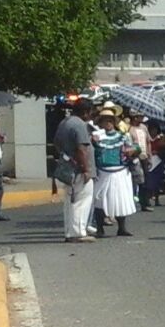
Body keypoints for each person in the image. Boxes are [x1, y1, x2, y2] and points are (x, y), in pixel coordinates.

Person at [90, 105, 139, 238]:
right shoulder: (95, 137)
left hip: (120, 171)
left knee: (120, 199)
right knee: (99, 200)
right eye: (105, 120)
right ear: (100, 122)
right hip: (102, 172)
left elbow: (136, 149)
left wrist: (133, 151)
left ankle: (122, 228)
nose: (108, 123)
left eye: (110, 120)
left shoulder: (123, 136)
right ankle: (100, 229)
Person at [54, 97, 96, 242]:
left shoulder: (64, 123)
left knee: (69, 201)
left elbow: (57, 143)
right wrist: (86, 169)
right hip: (79, 169)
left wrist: (67, 157)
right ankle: (78, 232)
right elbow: (81, 149)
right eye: (90, 112)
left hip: (67, 167)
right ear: (85, 112)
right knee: (82, 200)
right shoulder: (79, 125)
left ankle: (70, 232)